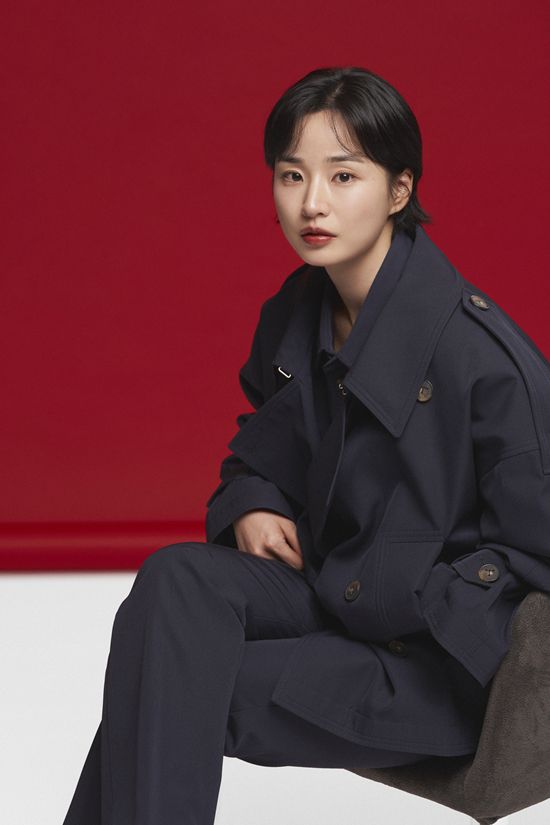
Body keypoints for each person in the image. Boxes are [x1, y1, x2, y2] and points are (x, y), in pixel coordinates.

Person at [62, 66, 550, 825]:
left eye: (343, 176)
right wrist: (254, 501)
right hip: (329, 595)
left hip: (426, 664)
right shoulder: (297, 313)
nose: (311, 203)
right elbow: (261, 447)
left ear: (399, 190)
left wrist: (419, 596)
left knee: (169, 683)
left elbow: (536, 554)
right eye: (292, 175)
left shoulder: (485, 362)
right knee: (176, 580)